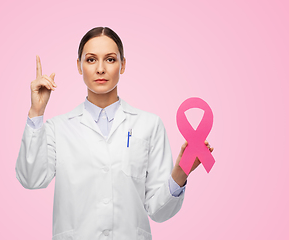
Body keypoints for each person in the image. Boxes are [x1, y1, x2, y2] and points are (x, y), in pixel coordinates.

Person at [15, 26, 213, 240]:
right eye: (91, 60)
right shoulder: (58, 128)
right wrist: (36, 112)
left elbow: (159, 211)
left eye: (110, 59)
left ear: (123, 64)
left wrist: (182, 172)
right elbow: (31, 179)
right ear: (79, 66)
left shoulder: (149, 125)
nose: (100, 69)